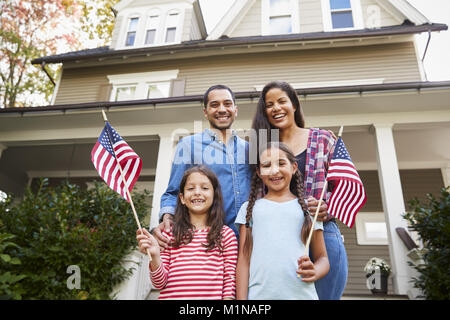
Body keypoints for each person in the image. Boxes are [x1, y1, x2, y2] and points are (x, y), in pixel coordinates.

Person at [250, 80, 348, 300]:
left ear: (294, 105)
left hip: (322, 234)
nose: (276, 108)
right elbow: (255, 194)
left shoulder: (323, 139)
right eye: (269, 104)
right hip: (277, 238)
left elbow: (344, 186)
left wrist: (328, 205)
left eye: (282, 101)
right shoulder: (261, 148)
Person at [152, 84, 252, 247]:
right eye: (214, 105)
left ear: (235, 109)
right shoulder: (188, 145)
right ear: (205, 112)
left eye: (227, 104)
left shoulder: (250, 149)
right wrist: (167, 216)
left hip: (248, 241)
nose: (221, 109)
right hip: (209, 242)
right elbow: (173, 192)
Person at [235, 142, 329, 300]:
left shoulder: (309, 208)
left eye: (281, 163)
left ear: (293, 167)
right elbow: (243, 261)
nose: (274, 170)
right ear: (259, 172)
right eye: (266, 165)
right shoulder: (249, 209)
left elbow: (323, 258)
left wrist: (315, 270)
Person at [136, 165, 238, 300]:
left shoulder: (226, 235)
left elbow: (229, 281)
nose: (197, 192)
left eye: (205, 188)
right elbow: (159, 283)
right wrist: (154, 256)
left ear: (214, 195)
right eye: (190, 188)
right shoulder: (169, 234)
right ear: (182, 198)